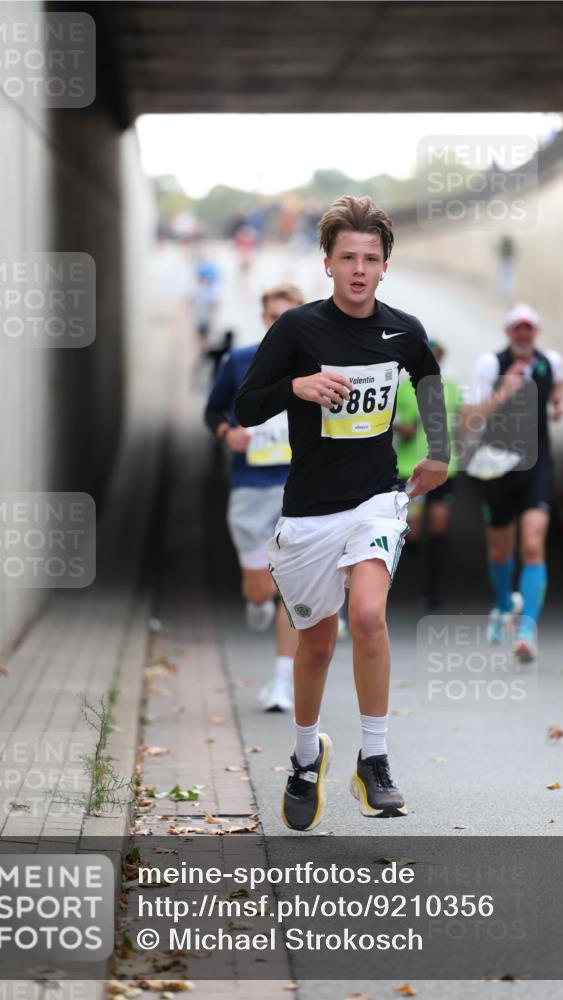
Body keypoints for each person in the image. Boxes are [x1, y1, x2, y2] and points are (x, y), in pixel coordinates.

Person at [235, 196, 449, 831]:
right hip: (309, 513)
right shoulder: (298, 330)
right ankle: (306, 759)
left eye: (372, 259)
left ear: (385, 267)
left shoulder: (403, 330)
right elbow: (246, 407)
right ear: (327, 263)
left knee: (367, 615)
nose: (360, 269)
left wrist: (438, 453)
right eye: (348, 258)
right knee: (318, 641)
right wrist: (295, 387)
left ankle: (375, 759)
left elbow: (429, 382)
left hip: (377, 501)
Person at [205, 284, 305, 711]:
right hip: (250, 488)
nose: (280, 324)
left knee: (294, 589)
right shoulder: (239, 361)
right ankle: (256, 599)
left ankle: (282, 681)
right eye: (273, 317)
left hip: (299, 486)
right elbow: (212, 411)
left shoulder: (318, 363)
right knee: (260, 590)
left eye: (290, 316)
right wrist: (229, 433)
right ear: (263, 319)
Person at [462, 303, 563, 662]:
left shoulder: (549, 361)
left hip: (537, 464)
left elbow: (558, 386)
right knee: (499, 550)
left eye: (529, 329)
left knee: (533, 544)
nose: (523, 334)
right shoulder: (491, 365)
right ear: (508, 332)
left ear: (536, 332)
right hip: (498, 464)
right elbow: (468, 419)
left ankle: (525, 632)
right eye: (517, 329)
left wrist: (557, 403)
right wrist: (503, 392)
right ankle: (505, 604)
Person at [393, 339, 462, 609]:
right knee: (413, 534)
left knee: (439, 527)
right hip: (411, 468)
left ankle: (432, 590)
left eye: (437, 356)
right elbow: (389, 421)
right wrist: (402, 428)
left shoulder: (453, 390)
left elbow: (466, 422)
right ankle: (396, 575)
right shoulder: (403, 390)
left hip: (446, 468)